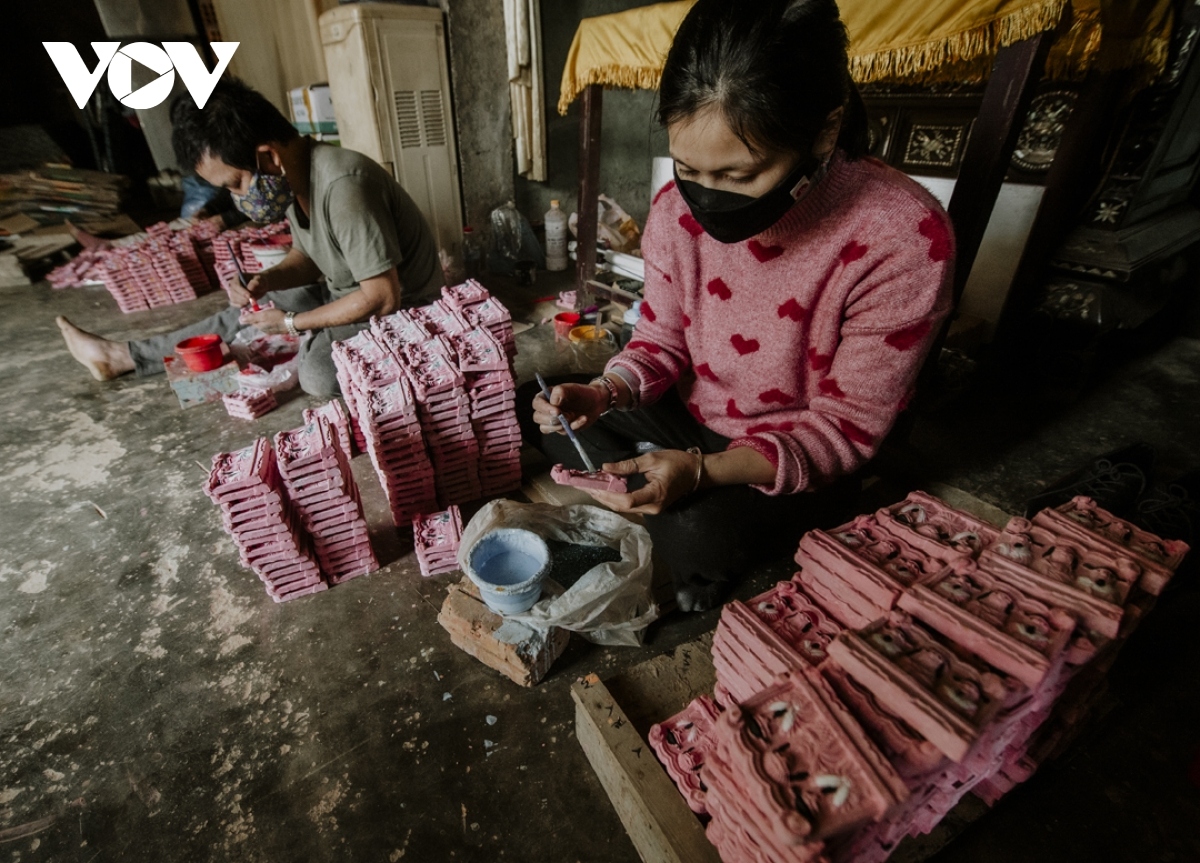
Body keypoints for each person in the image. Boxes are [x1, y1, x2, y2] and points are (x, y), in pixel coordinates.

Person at [522, 0, 955, 612]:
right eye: (689, 167)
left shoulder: (902, 237)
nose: (705, 199)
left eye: (741, 175)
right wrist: (608, 391)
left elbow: (843, 431)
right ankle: (655, 476)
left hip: (791, 452)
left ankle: (678, 495)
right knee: (533, 411)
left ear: (823, 133)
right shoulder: (677, 209)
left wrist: (703, 471)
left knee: (693, 537)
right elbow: (661, 342)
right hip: (694, 416)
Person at [57, 77, 443, 397]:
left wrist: (294, 324)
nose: (238, 198)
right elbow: (311, 257)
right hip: (345, 292)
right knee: (249, 312)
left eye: (237, 184)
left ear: (268, 157)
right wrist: (266, 281)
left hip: (403, 308)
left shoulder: (343, 185)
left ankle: (295, 346)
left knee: (318, 376)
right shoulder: (293, 178)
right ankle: (123, 355)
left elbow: (382, 297)